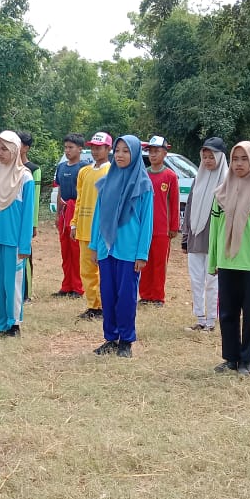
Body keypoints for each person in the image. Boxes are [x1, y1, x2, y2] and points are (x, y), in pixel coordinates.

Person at [208, 141, 250, 375]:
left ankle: (248, 360)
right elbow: (215, 231)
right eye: (235, 159)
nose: (238, 164)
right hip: (227, 262)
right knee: (227, 313)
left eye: (244, 158)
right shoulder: (221, 193)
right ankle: (231, 358)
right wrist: (213, 261)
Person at [89, 135, 154, 358]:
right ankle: (110, 337)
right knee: (107, 295)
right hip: (106, 248)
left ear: (135, 154)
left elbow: (147, 222)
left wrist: (142, 253)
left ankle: (126, 340)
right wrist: (94, 246)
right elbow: (98, 218)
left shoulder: (144, 185)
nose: (120, 155)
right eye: (117, 150)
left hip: (129, 251)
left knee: (126, 297)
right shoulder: (107, 182)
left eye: (126, 151)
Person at [0, 131, 35, 337]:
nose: (0, 153)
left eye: (5, 149)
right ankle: (0, 324)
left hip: (14, 241)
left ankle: (13, 324)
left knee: (13, 284)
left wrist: (24, 245)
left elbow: (28, 215)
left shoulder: (25, 177)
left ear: (15, 150)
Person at [181, 137, 226, 332]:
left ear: (220, 157)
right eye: (205, 156)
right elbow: (189, 207)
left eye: (211, 156)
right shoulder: (198, 179)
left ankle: (211, 320)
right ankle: (200, 318)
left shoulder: (226, 180)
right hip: (195, 235)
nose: (207, 160)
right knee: (196, 279)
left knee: (212, 280)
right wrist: (185, 237)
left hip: (215, 238)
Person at [71, 132, 112, 320]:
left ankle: (106, 304)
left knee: (104, 270)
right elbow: (79, 199)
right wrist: (74, 223)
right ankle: (93, 306)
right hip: (85, 228)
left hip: (103, 231)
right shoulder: (84, 172)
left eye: (99, 147)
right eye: (93, 147)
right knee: (86, 270)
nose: (95, 151)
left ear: (108, 149)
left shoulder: (111, 172)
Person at [138, 135, 180, 306]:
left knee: (159, 263)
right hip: (144, 227)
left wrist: (174, 226)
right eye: (150, 152)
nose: (153, 155)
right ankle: (145, 294)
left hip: (162, 229)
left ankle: (157, 296)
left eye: (157, 151)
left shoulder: (170, 176)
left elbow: (174, 202)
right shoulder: (143, 174)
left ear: (165, 153)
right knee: (144, 261)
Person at [52, 133, 87, 298]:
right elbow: (59, 190)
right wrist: (58, 214)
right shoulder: (61, 167)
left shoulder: (84, 168)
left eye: (71, 147)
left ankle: (78, 287)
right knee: (65, 250)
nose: (67, 150)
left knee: (76, 250)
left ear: (80, 149)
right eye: (65, 147)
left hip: (77, 210)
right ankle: (66, 285)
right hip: (64, 210)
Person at [18, 131, 42, 301]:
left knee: (25, 255)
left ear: (26, 148)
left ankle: (26, 292)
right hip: (12, 219)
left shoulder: (33, 170)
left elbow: (35, 199)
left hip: (25, 220)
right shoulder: (7, 167)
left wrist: (33, 223)